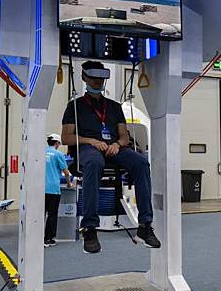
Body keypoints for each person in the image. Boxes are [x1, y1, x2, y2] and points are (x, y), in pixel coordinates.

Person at [61, 60, 161, 254]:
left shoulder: (114, 107)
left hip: (114, 149)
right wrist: (90, 141)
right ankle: (89, 228)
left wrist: (117, 144)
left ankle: (145, 226)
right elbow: (66, 137)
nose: (97, 81)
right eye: (93, 77)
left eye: (100, 78)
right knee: (93, 162)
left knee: (141, 163)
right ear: (84, 77)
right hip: (88, 149)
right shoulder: (75, 106)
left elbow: (124, 136)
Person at [44, 133, 73, 247]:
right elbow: (66, 172)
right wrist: (69, 184)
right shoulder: (58, 154)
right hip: (53, 189)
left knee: (40, 214)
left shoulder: (41, 153)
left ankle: (36, 237)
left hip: (40, 189)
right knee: (52, 214)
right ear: (57, 143)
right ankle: (48, 239)